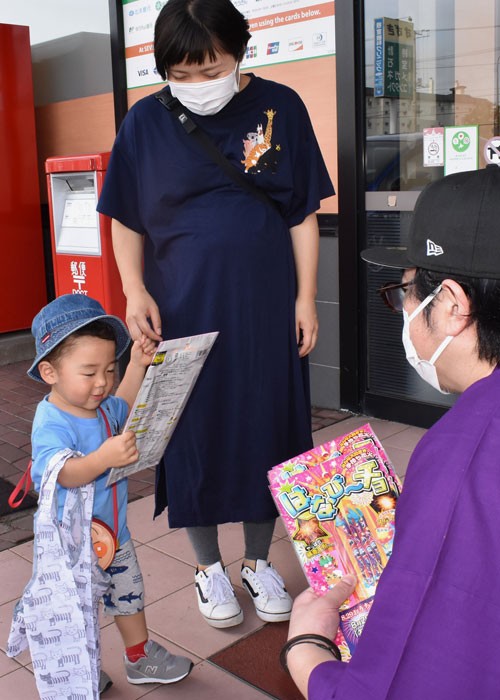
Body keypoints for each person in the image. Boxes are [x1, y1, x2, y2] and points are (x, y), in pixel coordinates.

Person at [97, 0, 335, 628]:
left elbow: (301, 213)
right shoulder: (145, 121)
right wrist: (133, 290)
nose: (197, 84)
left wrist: (306, 297)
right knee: (190, 429)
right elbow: (125, 217)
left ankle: (258, 561)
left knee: (269, 424)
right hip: (181, 305)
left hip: (265, 305)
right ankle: (208, 568)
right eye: (181, 74)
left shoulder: (280, 106)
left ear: (239, 54)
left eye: (210, 70)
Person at [283, 165, 500, 699]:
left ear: (451, 305)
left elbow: (414, 679)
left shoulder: (464, 455)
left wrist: (308, 653)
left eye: (405, 291)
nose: (402, 310)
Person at [8, 294, 193, 694]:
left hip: (114, 535)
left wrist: (138, 365)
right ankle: (80, 669)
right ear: (50, 372)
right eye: (89, 372)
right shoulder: (51, 421)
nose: (102, 382)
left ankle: (139, 657)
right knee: (78, 612)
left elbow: (123, 403)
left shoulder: (104, 406)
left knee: (130, 594)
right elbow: (62, 474)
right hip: (72, 546)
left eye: (109, 369)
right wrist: (101, 458)